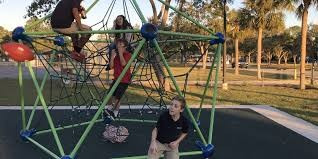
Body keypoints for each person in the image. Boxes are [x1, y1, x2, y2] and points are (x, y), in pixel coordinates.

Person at [105, 38, 132, 118]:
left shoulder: (128, 55)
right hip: (116, 79)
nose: (118, 47)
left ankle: (116, 112)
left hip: (124, 80)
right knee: (109, 95)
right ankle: (110, 108)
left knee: (117, 98)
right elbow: (111, 66)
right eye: (118, 45)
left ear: (125, 47)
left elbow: (124, 64)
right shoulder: (116, 56)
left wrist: (120, 53)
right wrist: (112, 56)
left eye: (121, 45)